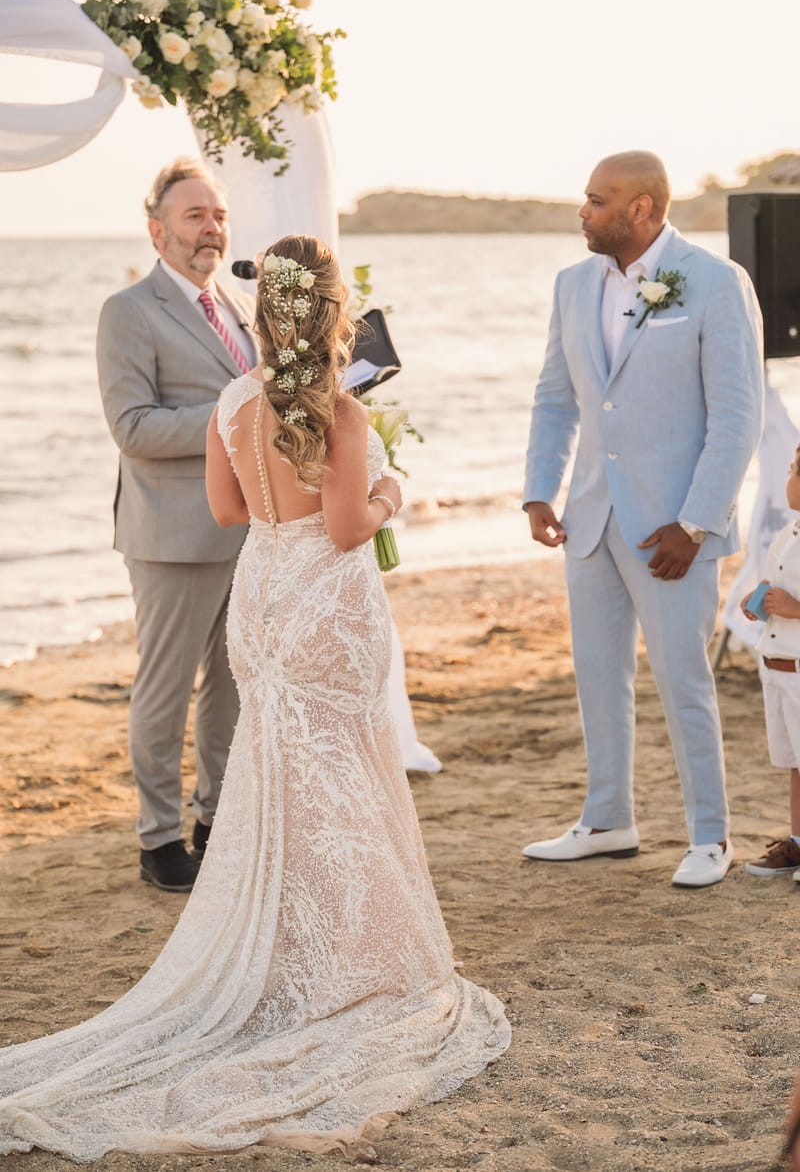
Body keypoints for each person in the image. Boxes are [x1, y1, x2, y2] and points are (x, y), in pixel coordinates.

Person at [0, 236, 510, 1160]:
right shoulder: (343, 415)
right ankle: (346, 968)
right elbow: (350, 528)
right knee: (344, 780)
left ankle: (282, 957)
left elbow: (232, 512)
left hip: (266, 598)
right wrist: (393, 491)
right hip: (327, 599)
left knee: (281, 779)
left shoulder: (234, 401)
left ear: (264, 315)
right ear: (332, 315)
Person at [521, 150, 764, 888]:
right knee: (598, 675)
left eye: (598, 201)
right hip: (590, 518)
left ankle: (711, 837)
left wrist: (694, 525)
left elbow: (737, 417)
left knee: (683, 679)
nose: (583, 212)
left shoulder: (717, 283)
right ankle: (607, 821)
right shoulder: (571, 285)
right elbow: (556, 398)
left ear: (643, 209)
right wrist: (539, 491)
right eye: (584, 199)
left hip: (672, 533)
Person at [97, 158, 256, 892]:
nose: (211, 228)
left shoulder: (240, 309)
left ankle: (215, 819)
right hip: (169, 535)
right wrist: (240, 411)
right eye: (195, 216)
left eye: (218, 215)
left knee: (230, 686)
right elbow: (134, 429)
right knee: (163, 691)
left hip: (248, 529)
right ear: (158, 230)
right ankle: (158, 838)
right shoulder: (128, 311)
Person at [741, 444, 800, 877]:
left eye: (795, 471)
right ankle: (797, 843)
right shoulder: (789, 532)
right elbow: (775, 582)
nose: (790, 480)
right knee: (794, 764)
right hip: (776, 665)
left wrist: (795, 607)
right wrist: (757, 598)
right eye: (792, 469)